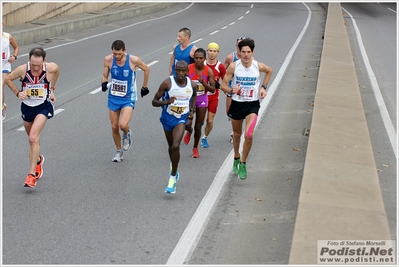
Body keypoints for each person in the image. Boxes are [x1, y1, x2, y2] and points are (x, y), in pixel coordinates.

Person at [4, 47, 60, 188]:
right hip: (27, 107)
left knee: (33, 137)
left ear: (44, 61)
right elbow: (7, 79)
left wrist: (52, 89)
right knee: (32, 140)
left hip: (43, 106)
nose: (35, 68)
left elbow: (57, 71)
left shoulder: (50, 68)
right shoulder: (23, 70)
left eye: (38, 65)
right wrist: (18, 93)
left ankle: (31, 175)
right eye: (33, 65)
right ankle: (38, 160)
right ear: (29, 61)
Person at [220, 38, 273, 180]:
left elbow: (269, 71)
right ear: (239, 52)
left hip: (252, 104)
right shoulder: (234, 66)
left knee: (248, 134)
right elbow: (222, 85)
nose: (246, 55)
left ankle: (243, 162)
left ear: (253, 52)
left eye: (248, 52)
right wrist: (232, 90)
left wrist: (263, 87)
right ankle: (236, 156)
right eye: (243, 52)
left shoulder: (257, 66)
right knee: (237, 135)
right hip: (237, 103)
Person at [152, 60, 197, 194]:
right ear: (174, 70)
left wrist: (191, 111)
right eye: (179, 70)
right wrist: (167, 101)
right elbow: (154, 102)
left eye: (184, 71)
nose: (181, 73)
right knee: (171, 147)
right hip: (167, 118)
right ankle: (174, 166)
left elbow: (194, 96)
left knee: (176, 146)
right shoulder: (167, 83)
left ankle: (172, 177)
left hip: (181, 119)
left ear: (187, 72)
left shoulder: (192, 85)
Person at [101, 40, 150, 162]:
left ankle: (127, 133)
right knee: (114, 126)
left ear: (124, 50)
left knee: (123, 125)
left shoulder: (133, 60)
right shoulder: (108, 60)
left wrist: (144, 87)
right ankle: (119, 152)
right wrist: (104, 82)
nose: (117, 56)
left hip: (128, 97)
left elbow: (147, 69)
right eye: (114, 54)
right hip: (113, 96)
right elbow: (105, 75)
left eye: (119, 54)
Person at [183, 48, 215, 158]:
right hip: (189, 99)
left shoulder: (208, 71)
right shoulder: (188, 68)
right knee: (187, 124)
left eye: (200, 58)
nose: (198, 60)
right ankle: (189, 131)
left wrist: (204, 84)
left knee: (198, 126)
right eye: (196, 58)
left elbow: (213, 89)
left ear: (204, 59)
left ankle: (195, 148)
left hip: (202, 99)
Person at [202, 42, 226, 148]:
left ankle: (204, 137)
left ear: (218, 52)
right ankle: (190, 131)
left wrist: (222, 88)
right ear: (207, 51)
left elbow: (225, 82)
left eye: (214, 51)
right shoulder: (201, 64)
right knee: (200, 120)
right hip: (201, 96)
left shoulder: (220, 66)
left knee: (210, 120)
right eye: (210, 51)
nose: (212, 53)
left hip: (214, 96)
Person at [223, 36, 247, 142]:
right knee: (229, 111)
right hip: (231, 88)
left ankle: (234, 132)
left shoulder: (249, 58)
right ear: (236, 45)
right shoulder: (230, 57)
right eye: (238, 44)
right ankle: (235, 127)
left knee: (240, 110)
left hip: (243, 89)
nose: (239, 46)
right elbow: (223, 71)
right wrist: (225, 85)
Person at [2, 23, 19, 120]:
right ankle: (2, 103)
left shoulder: (8, 37)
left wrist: (14, 56)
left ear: (2, 25)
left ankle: (1, 109)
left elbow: (16, 47)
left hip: (4, 66)